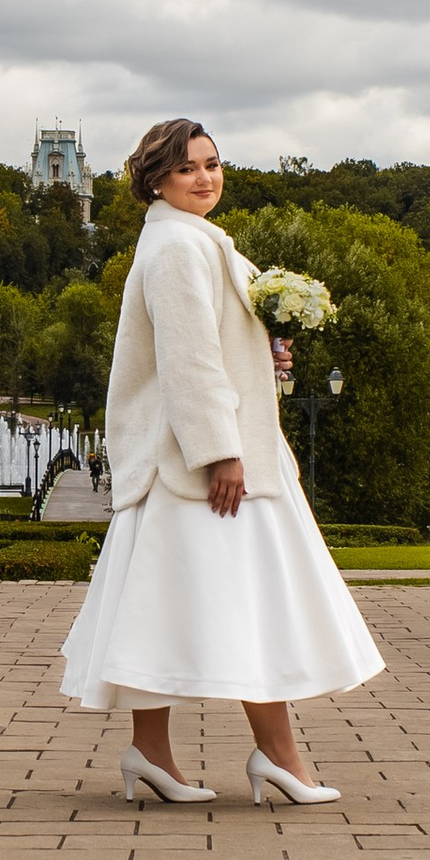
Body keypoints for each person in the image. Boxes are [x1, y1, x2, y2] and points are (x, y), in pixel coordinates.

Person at [62, 120, 382, 802]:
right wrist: (222, 454)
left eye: (212, 163)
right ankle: (280, 756)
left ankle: (151, 753)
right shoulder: (179, 247)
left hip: (185, 463)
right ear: (156, 180)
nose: (205, 177)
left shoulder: (188, 239)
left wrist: (268, 354)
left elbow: (215, 346)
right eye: (187, 169)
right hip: (203, 467)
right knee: (251, 604)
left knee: (159, 609)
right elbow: (190, 364)